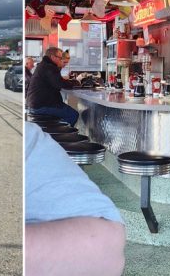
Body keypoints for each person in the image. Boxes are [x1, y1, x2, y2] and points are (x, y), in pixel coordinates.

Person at [25, 123, 126, 276]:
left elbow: (106, 248)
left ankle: (68, 130)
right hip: (47, 113)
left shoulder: (28, 138)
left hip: (44, 113)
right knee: (71, 115)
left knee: (71, 115)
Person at [26, 47, 79, 126]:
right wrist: (77, 82)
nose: (61, 60)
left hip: (35, 104)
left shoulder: (43, 65)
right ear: (53, 57)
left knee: (66, 114)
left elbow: (55, 81)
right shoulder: (50, 67)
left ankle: (56, 132)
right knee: (73, 115)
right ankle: (60, 135)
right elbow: (59, 83)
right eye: (60, 58)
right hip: (42, 106)